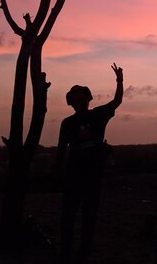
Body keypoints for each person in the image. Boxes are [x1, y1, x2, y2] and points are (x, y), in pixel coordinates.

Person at [57, 63, 124, 262]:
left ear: (86, 99)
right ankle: (68, 250)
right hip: (74, 175)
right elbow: (61, 149)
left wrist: (119, 80)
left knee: (88, 214)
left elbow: (117, 101)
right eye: (75, 97)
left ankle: (84, 249)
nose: (78, 99)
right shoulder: (67, 123)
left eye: (80, 95)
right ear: (72, 103)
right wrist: (58, 172)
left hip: (92, 175)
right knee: (70, 214)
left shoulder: (97, 115)